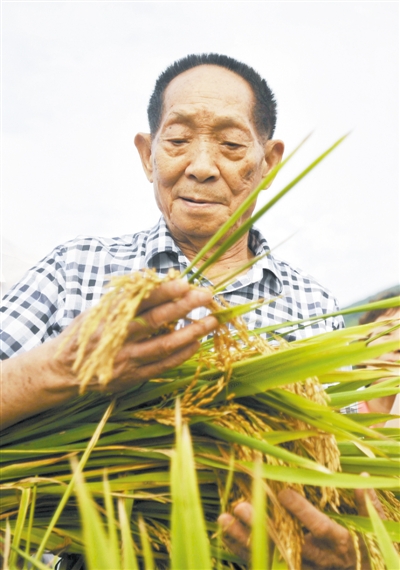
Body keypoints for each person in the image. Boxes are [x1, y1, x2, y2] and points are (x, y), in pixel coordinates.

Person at [0, 53, 385, 569]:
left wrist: (343, 558)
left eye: (229, 145)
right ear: (147, 154)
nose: (201, 167)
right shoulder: (77, 269)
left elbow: (351, 496)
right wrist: (60, 368)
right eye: (178, 141)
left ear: (269, 162)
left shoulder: (312, 307)